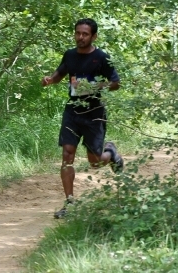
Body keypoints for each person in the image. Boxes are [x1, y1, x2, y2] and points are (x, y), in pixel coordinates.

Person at [41, 18, 124, 219]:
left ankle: (110, 153)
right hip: (72, 111)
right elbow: (61, 73)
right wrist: (50, 80)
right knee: (67, 156)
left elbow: (116, 83)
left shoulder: (101, 57)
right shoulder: (70, 55)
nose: (80, 37)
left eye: (85, 34)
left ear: (93, 36)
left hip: (94, 113)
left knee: (95, 162)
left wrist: (95, 87)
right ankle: (69, 203)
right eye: (78, 33)